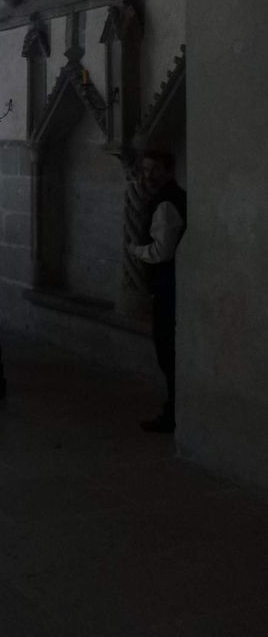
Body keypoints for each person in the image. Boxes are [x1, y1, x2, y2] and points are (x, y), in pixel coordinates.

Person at [127, 150, 187, 433]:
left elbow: (162, 251)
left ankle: (175, 414)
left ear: (169, 171)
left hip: (169, 286)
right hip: (169, 285)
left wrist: (135, 250)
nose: (148, 176)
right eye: (145, 170)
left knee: (167, 352)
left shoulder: (165, 203)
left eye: (155, 170)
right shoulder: (167, 198)